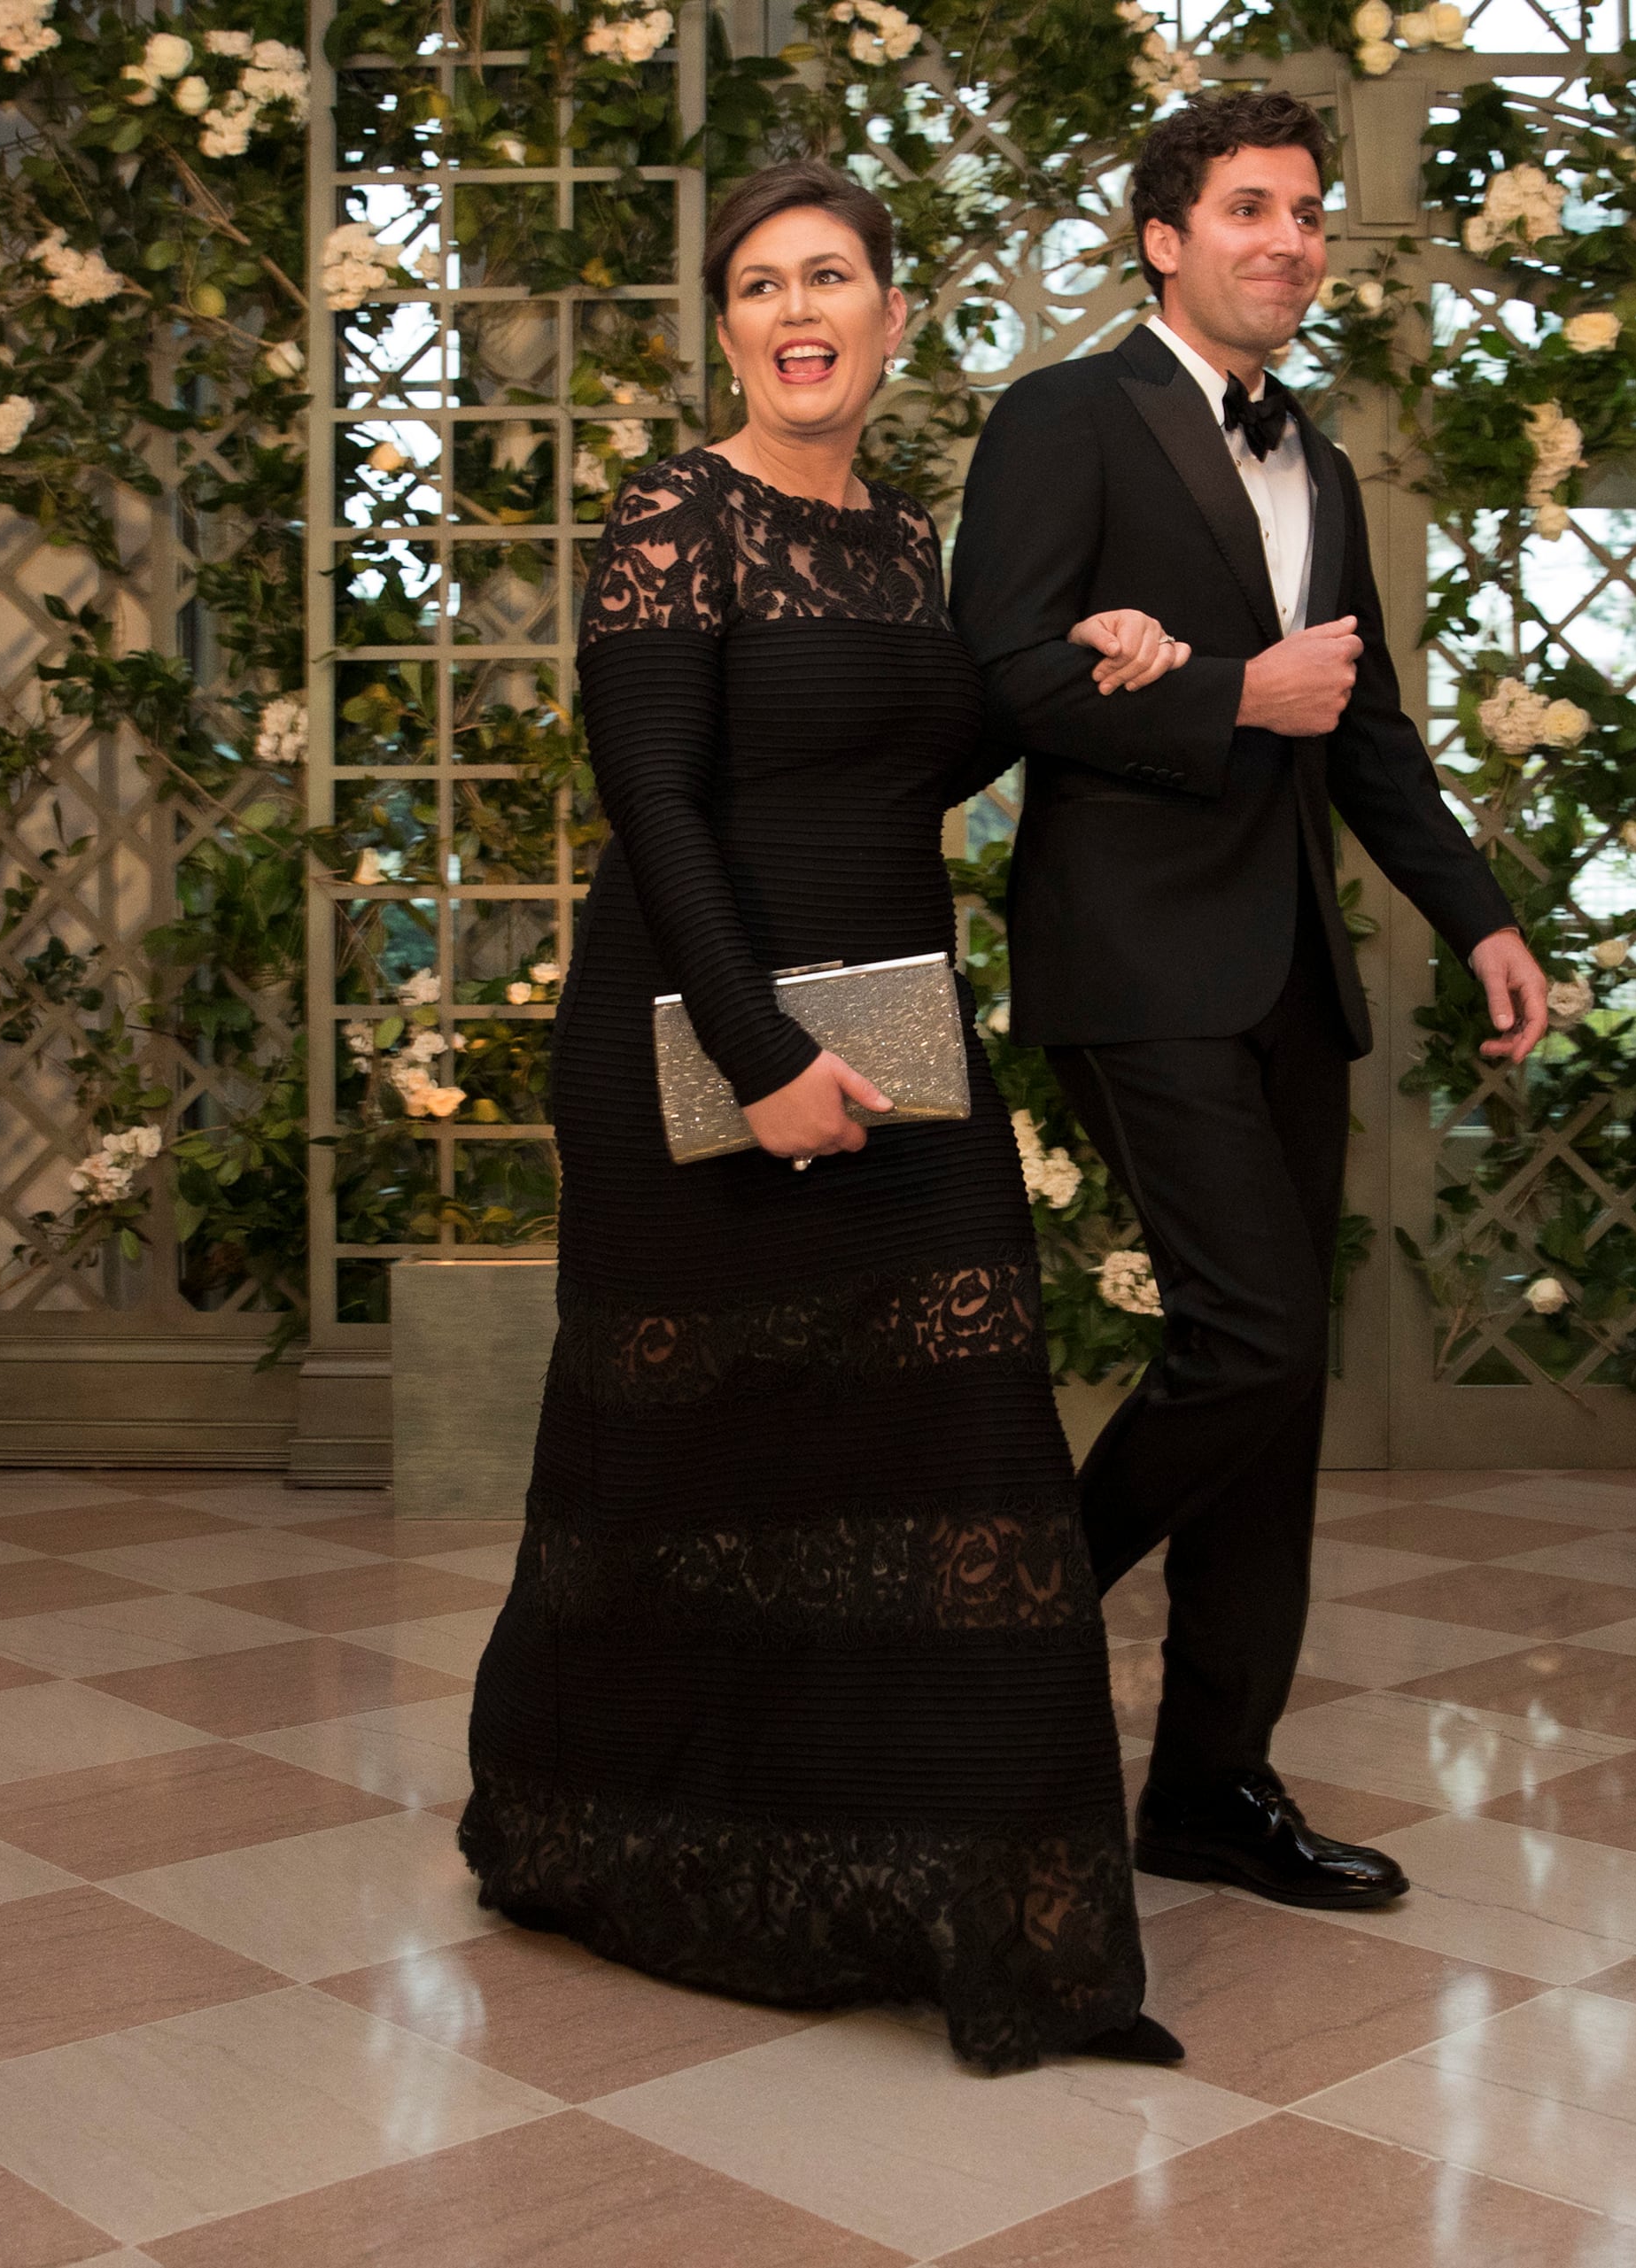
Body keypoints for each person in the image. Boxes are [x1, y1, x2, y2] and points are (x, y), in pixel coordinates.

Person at [459, 160, 1190, 2073]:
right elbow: (666, 803)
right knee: (697, 1480)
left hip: (897, 1032)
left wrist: (1060, 676)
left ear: (889, 318)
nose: (800, 306)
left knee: (956, 1458)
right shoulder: (672, 515)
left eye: (835, 275)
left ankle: (990, 1922)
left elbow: (903, 765)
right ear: (728, 329)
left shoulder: (900, 536)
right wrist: (759, 1050)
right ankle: (615, 1840)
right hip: (703, 1035)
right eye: (763, 282)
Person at [951, 92, 1551, 1911]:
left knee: (1275, 1406)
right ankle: (1001, 1607)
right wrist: (1227, 696)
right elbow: (1006, 671)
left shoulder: (1327, 467)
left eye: (1307, 212)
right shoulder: (1066, 414)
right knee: (1255, 1337)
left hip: (1292, 970)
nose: (1288, 239)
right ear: (1164, 236)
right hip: (1135, 954)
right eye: (1248, 207)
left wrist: (1478, 919)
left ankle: (1211, 1786)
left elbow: (1363, 733)